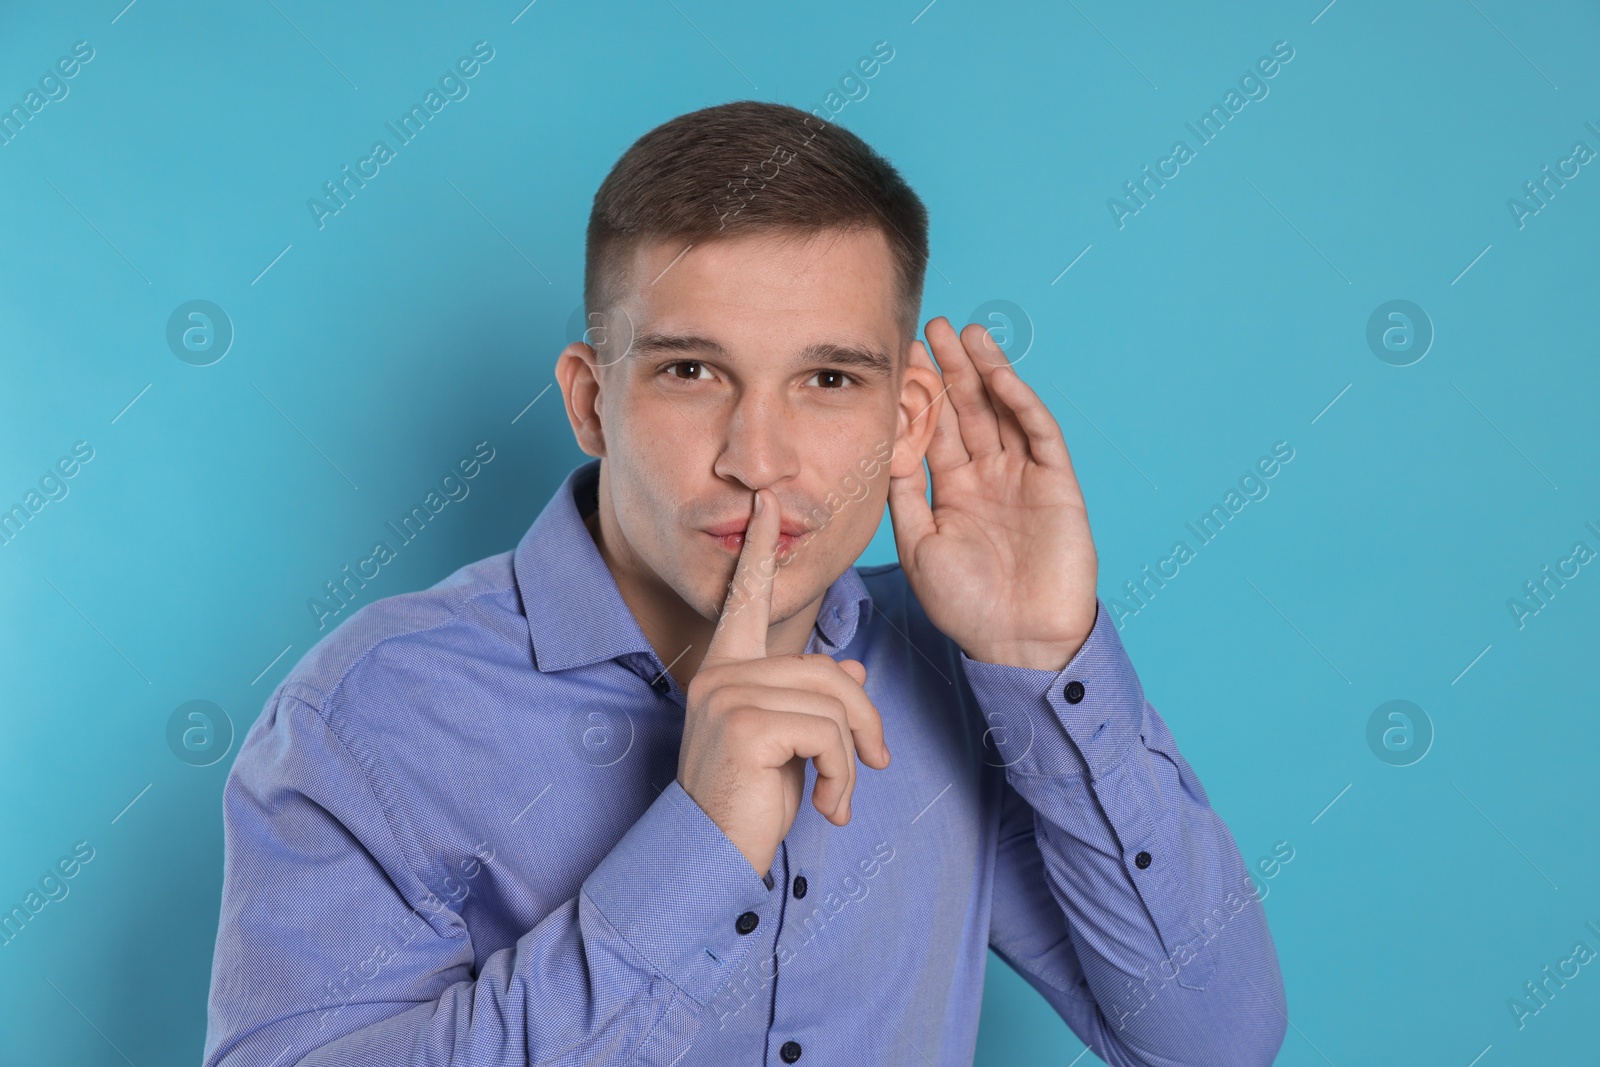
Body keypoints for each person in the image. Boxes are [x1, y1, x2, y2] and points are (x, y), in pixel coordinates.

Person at [203, 100, 1286, 1066]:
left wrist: (1046, 661)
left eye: (827, 379)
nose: (757, 456)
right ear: (590, 401)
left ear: (904, 417)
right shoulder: (371, 715)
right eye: (690, 371)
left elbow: (1214, 1039)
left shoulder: (958, 670)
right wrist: (697, 844)